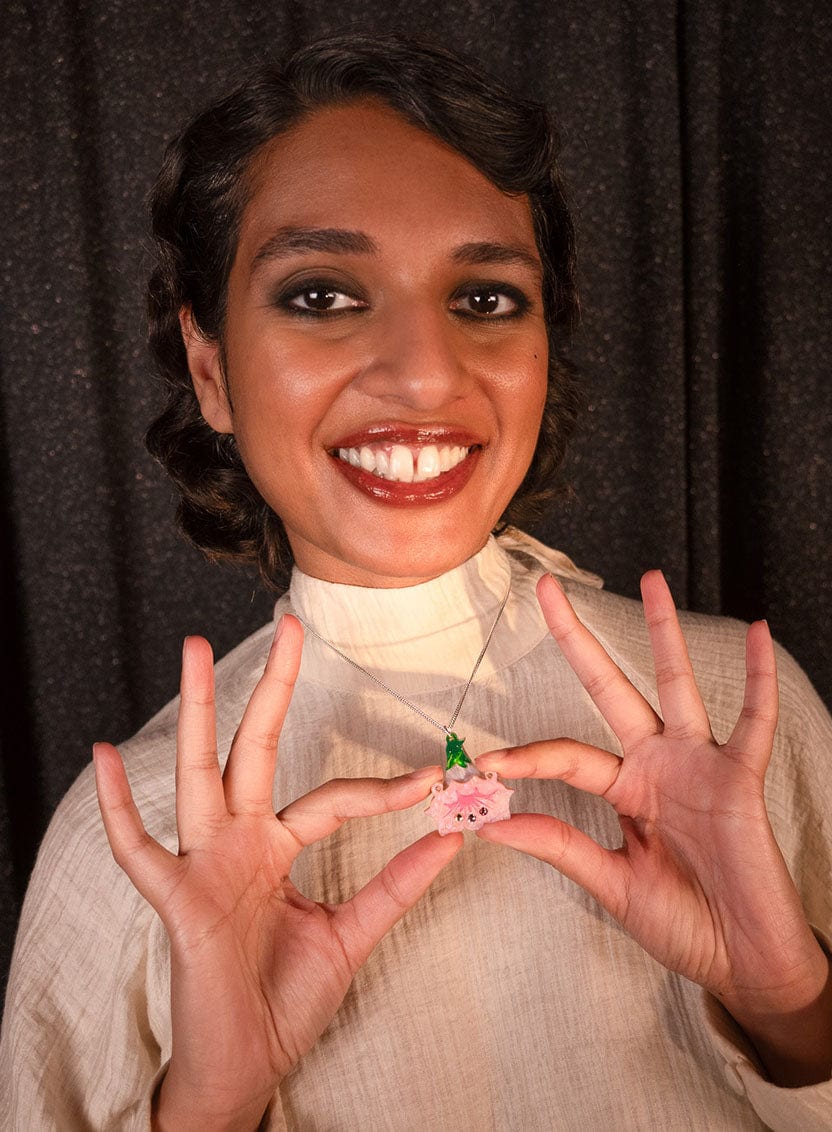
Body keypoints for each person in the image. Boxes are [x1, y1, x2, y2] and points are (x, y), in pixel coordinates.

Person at [2, 32, 831, 1131]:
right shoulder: (139, 837)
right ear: (211, 371)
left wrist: (793, 1008)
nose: (427, 371)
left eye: (485, 299)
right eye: (322, 295)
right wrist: (208, 1103)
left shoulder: (741, 714)